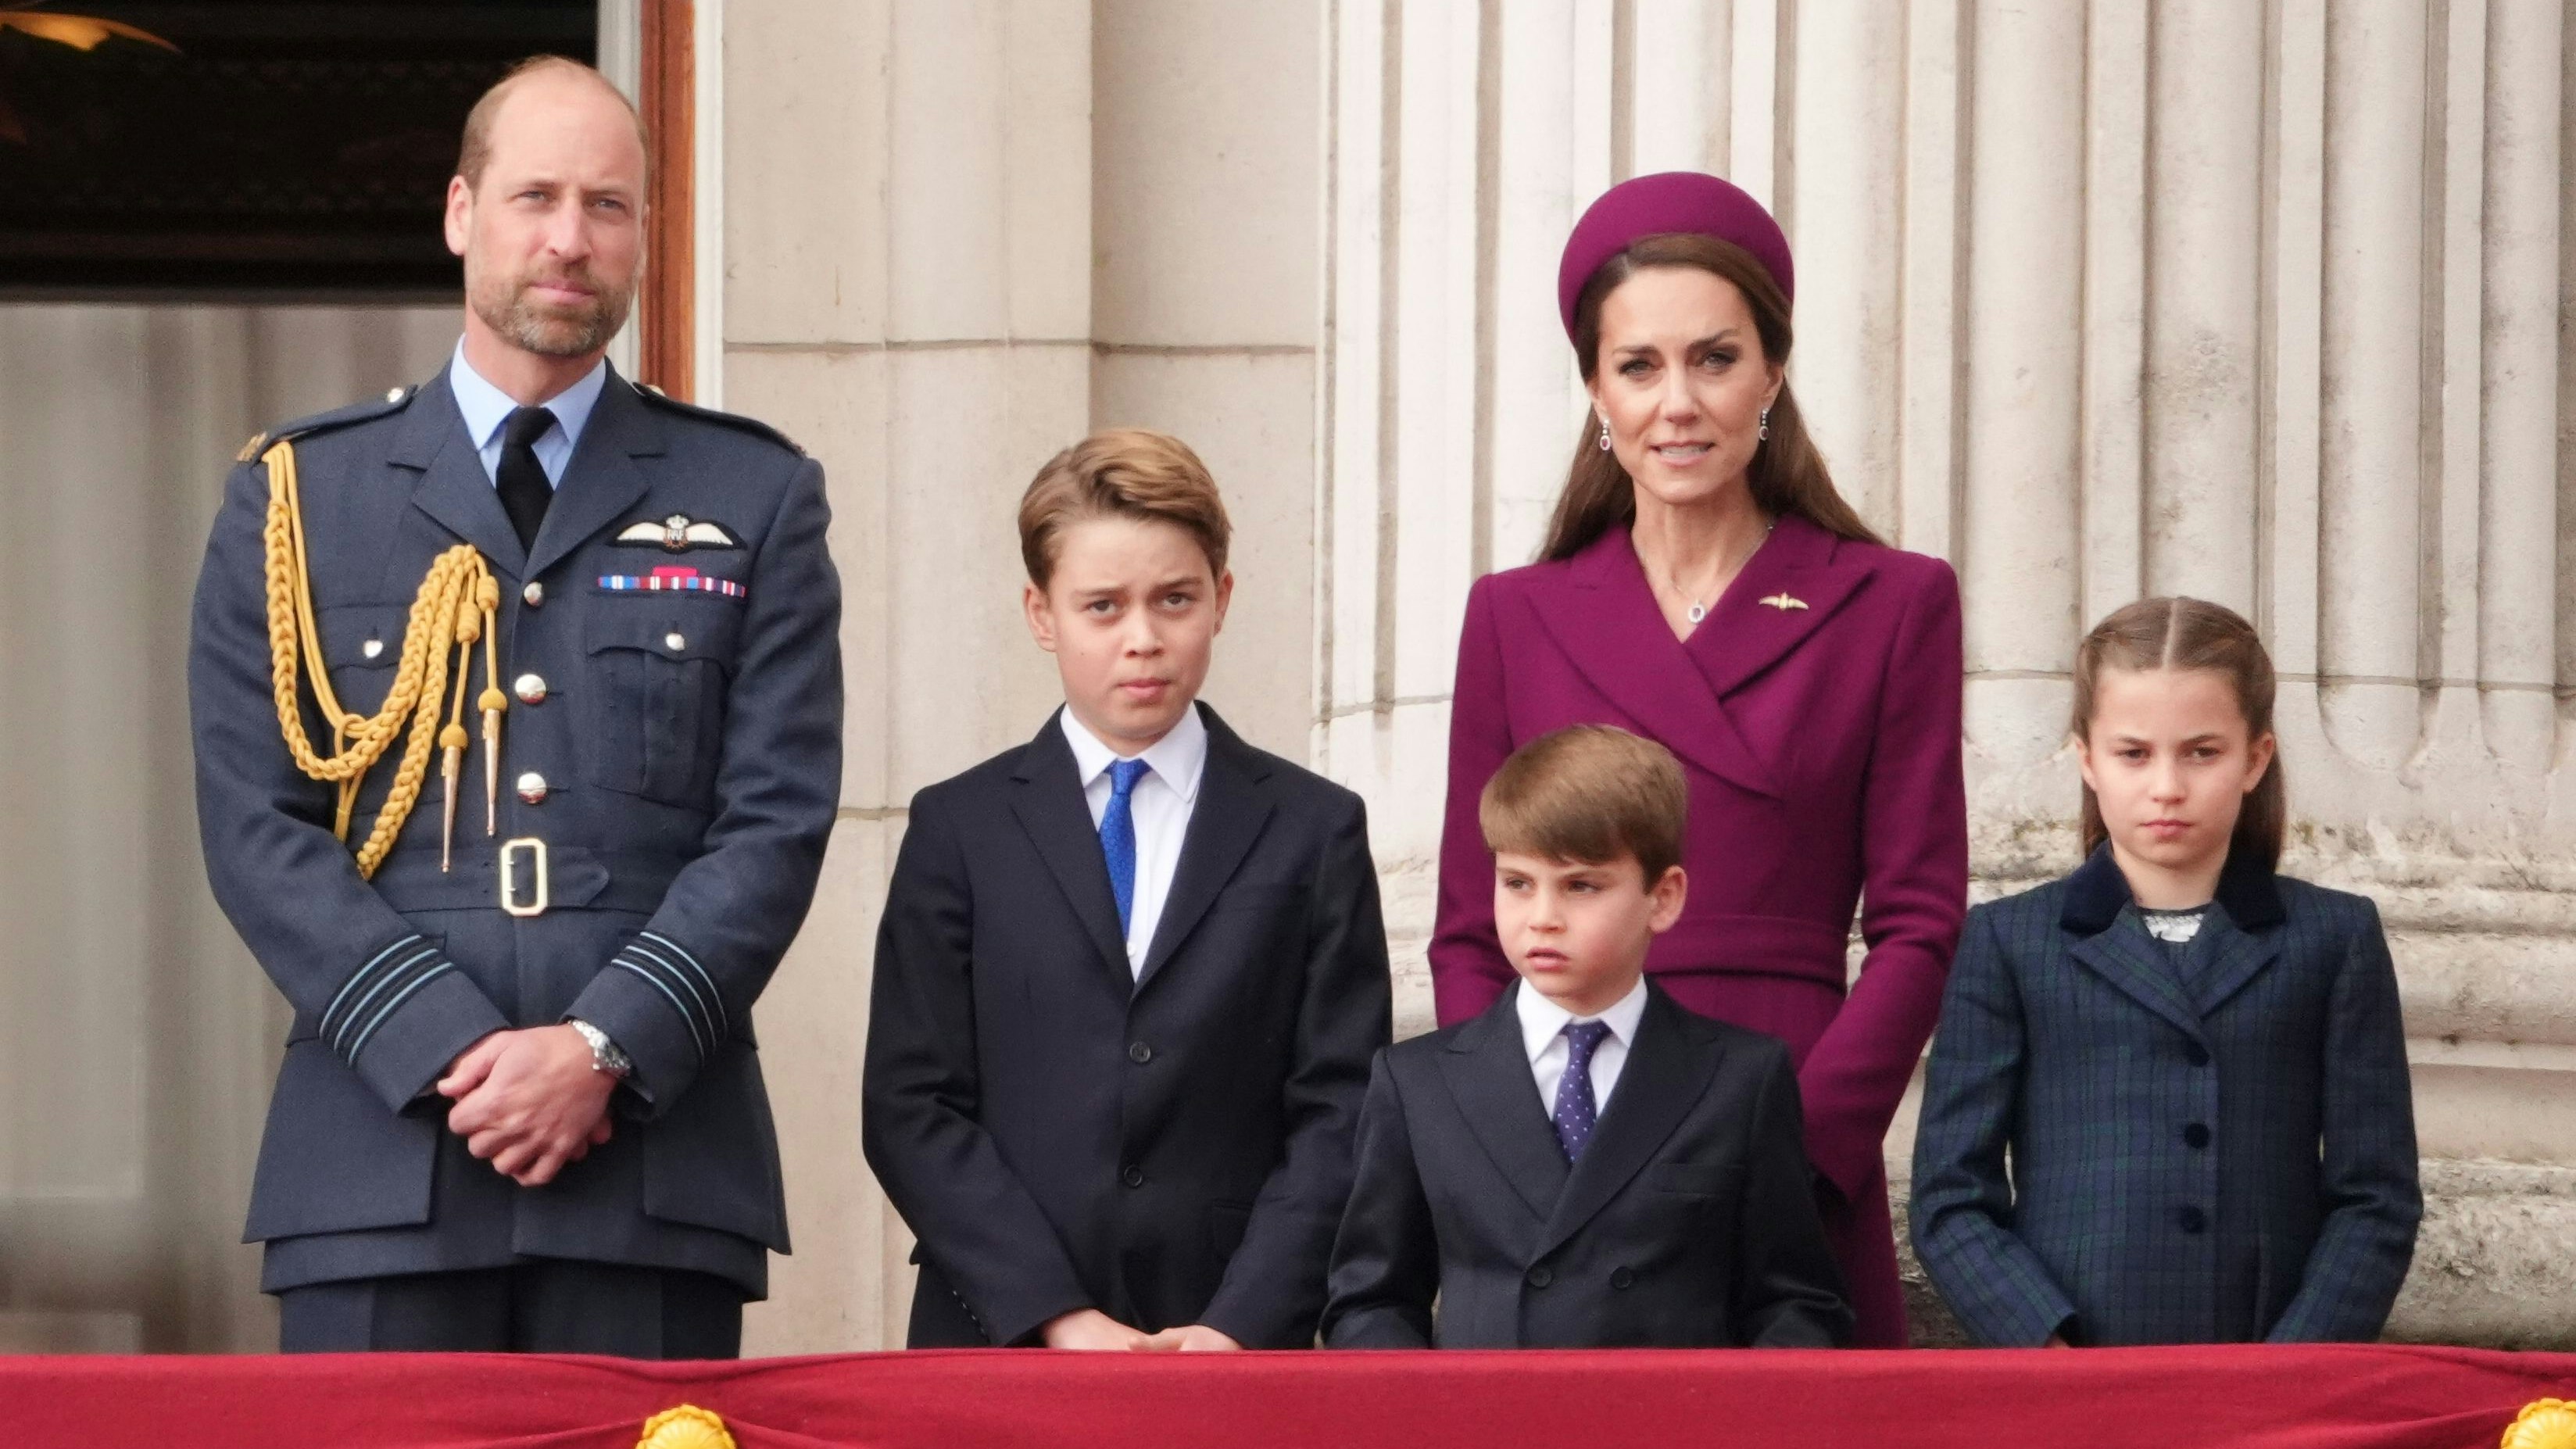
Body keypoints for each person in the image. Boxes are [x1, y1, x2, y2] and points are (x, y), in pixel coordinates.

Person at [188, 56, 841, 1356]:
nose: (567, 237)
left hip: (648, 1167)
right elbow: (256, 826)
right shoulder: (299, 499)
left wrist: (602, 1042)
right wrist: (445, 1048)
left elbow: (774, 823)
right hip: (379, 1168)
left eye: (606, 204)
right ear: (458, 214)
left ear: (644, 233)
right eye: (534, 195)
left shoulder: (755, 493)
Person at [1430, 170, 1966, 1346]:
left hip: (1783, 1118)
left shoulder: (1890, 601)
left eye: (1715, 359)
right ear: (1595, 388)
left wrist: (1791, 1149)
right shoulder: (1515, 613)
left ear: (1772, 372)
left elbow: (1923, 924)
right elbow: (1474, 929)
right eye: (1639, 365)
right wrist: (1504, 1144)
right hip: (1561, 1154)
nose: (1678, 403)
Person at [862, 428, 1392, 1351]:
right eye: (1101, 607)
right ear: (1041, 614)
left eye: (1173, 600)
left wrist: (1237, 1325)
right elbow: (910, 1105)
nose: (1141, 639)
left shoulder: (1314, 828)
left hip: (1230, 1341)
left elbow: (1341, 1108)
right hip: (1000, 1335)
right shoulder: (961, 827)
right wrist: (1056, 1317)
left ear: (1220, 600)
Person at [1911, 598, 2420, 1346]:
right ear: (2087, 757)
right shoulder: (2010, 941)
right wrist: (2045, 1348)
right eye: (2134, 753)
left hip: (2267, 1374)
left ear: (2256, 758)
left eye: (2202, 752)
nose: (2167, 787)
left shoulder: (2333, 938)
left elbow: (2376, 1196)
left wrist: (2293, 1367)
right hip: (2074, 1371)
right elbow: (1951, 1195)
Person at [1324, 725, 1850, 1349]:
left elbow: (1793, 1302)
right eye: (1517, 883)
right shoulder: (1419, 1081)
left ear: (1664, 897)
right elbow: (1372, 1300)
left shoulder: (1741, 1077)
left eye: (1581, 885)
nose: (1542, 915)